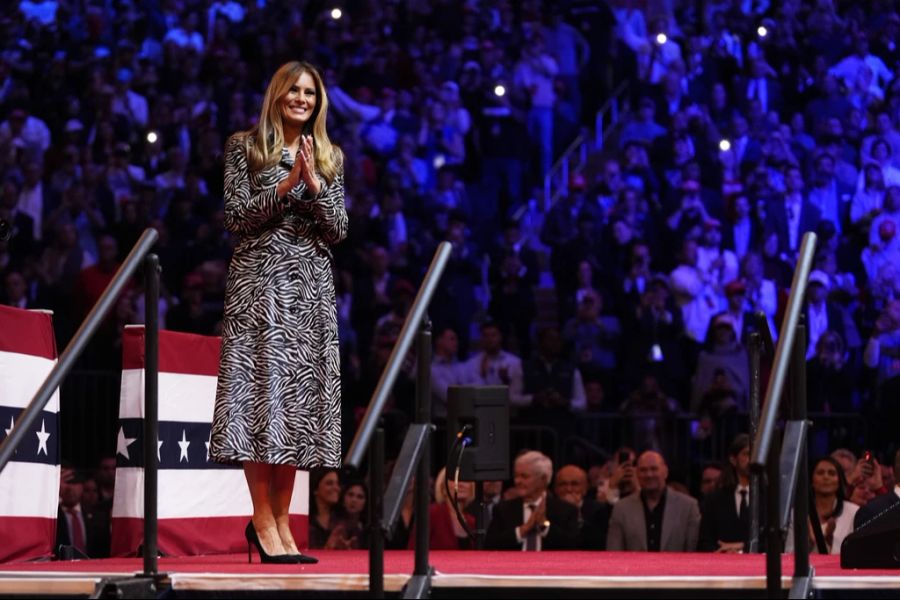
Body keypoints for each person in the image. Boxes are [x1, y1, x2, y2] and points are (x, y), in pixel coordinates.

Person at [209, 61, 348, 565]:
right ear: (278, 94)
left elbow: (339, 229)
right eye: (294, 90)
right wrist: (286, 184)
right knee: (259, 397)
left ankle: (283, 521)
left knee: (294, 407)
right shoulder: (244, 147)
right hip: (260, 286)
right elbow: (236, 215)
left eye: (311, 92)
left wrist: (313, 186)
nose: (302, 99)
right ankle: (262, 519)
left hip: (310, 288)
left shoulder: (330, 155)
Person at [606, 451, 701, 551]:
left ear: (665, 472)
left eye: (654, 469)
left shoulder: (688, 506)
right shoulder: (621, 508)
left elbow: (692, 553)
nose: (649, 474)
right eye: (643, 470)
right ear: (637, 474)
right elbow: (614, 553)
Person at [484, 451, 579, 550]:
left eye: (524, 476)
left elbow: (572, 546)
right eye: (516, 476)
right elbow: (490, 546)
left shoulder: (565, 510)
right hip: (514, 564)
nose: (517, 481)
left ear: (543, 479)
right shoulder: (503, 509)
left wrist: (544, 525)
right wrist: (523, 530)